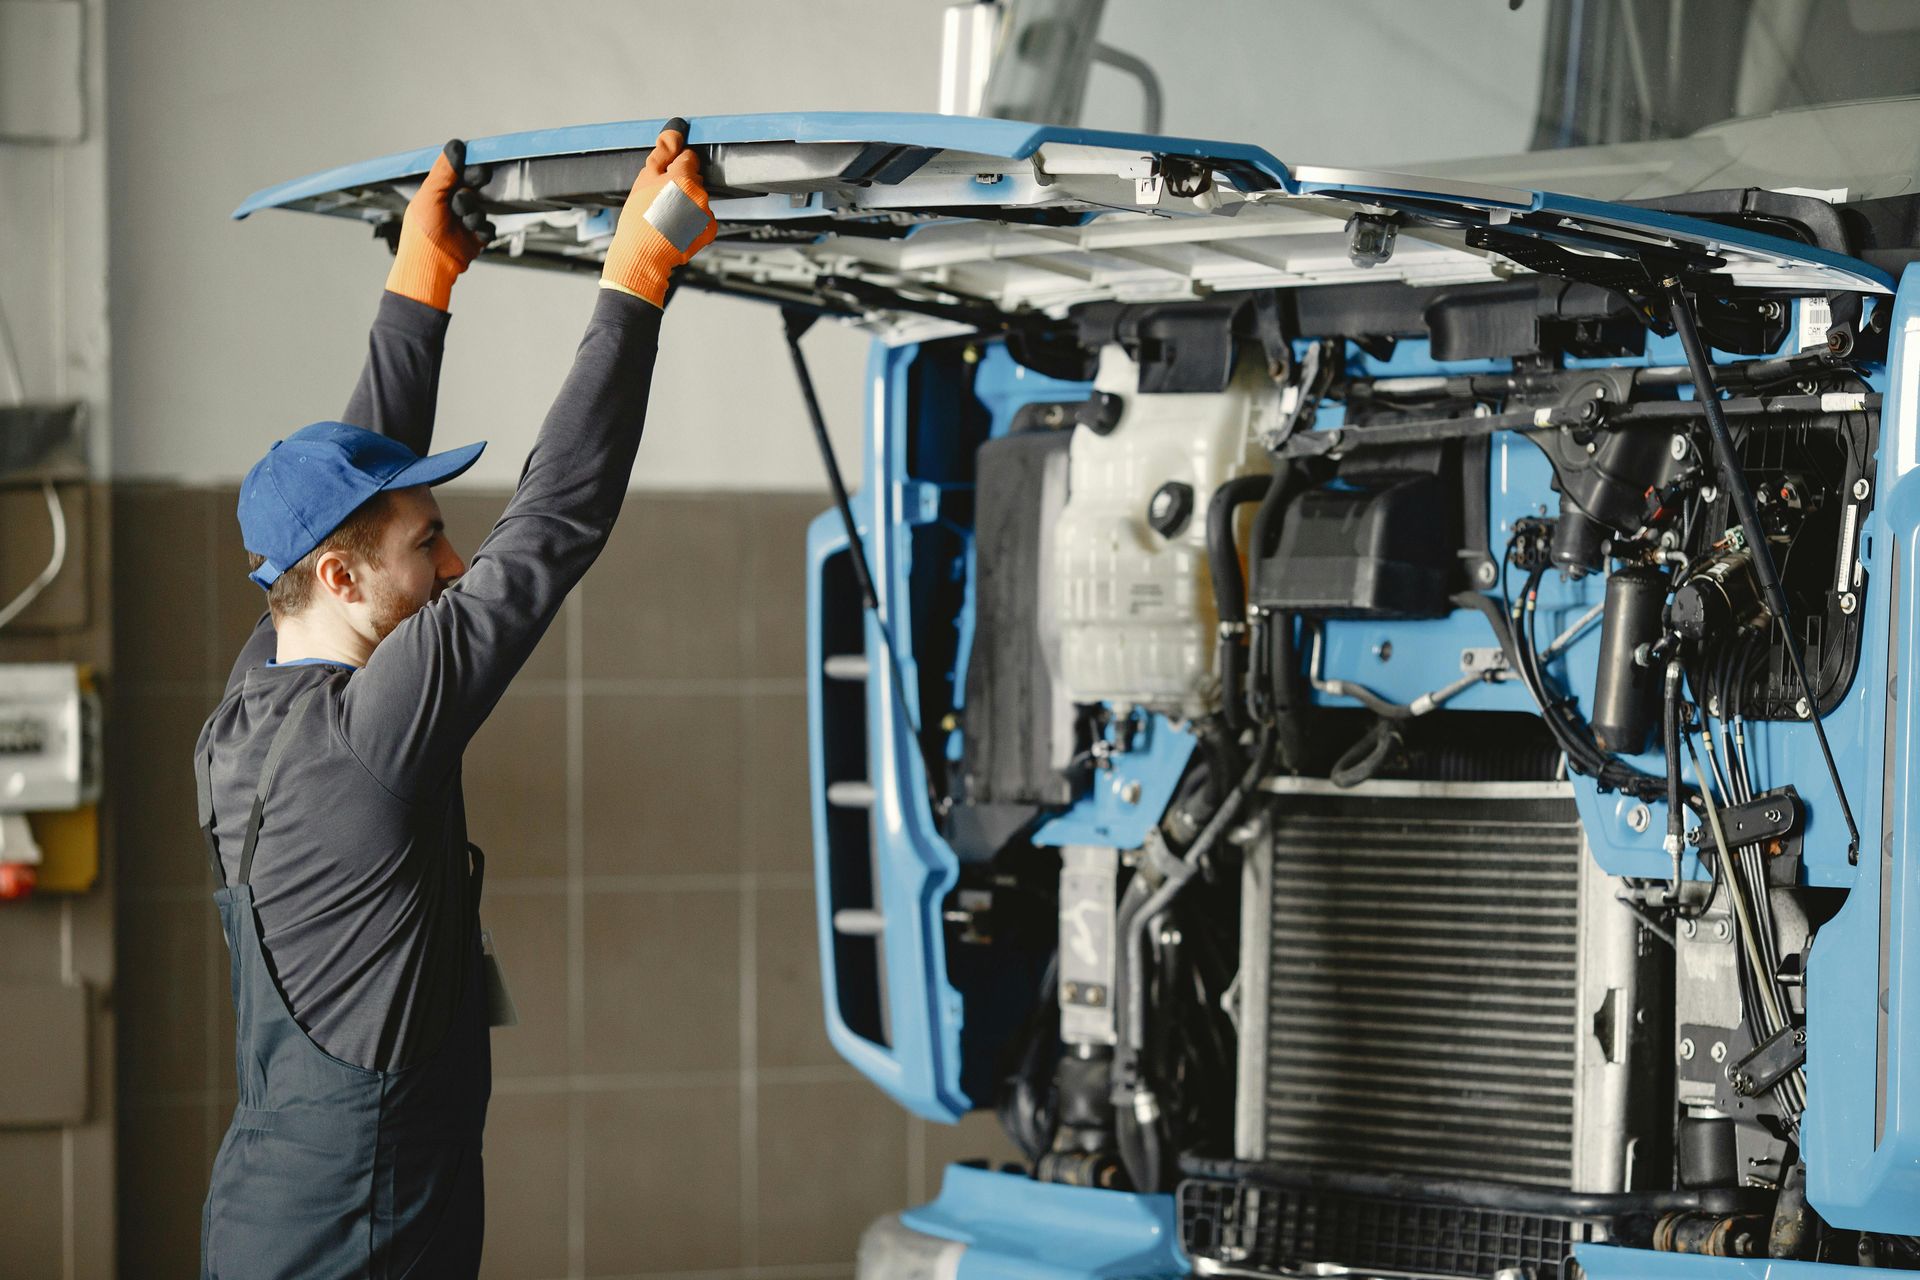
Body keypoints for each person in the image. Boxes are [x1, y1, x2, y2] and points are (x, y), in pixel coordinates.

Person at [194, 119, 715, 1279]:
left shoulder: (253, 694)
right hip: (360, 1238)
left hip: (266, 1208)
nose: (454, 564)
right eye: (432, 544)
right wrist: (635, 281)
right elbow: (553, 527)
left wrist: (418, 287)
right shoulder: (370, 731)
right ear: (337, 579)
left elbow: (355, 489)